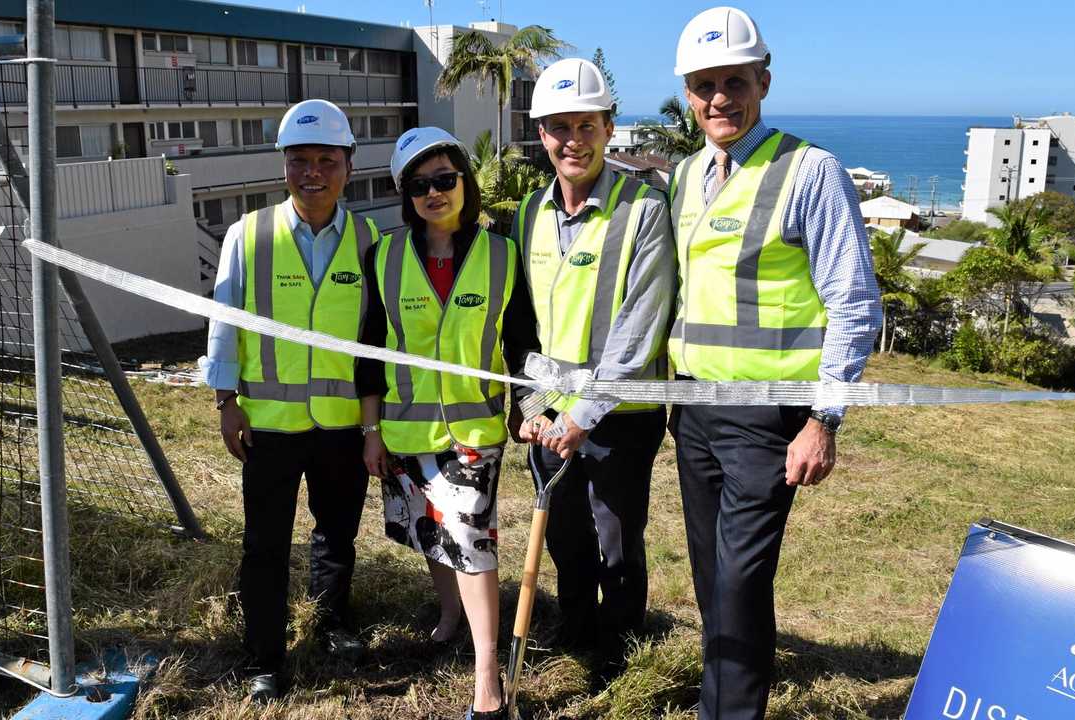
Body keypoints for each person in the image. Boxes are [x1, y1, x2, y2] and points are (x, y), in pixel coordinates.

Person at [665, 8, 882, 719]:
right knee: (711, 580)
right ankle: (724, 694)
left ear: (764, 80)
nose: (719, 97)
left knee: (738, 581)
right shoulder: (687, 175)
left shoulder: (809, 171)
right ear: (687, 94)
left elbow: (853, 301)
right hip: (692, 411)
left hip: (766, 417)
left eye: (734, 80)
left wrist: (824, 418)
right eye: (704, 85)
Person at [198, 99, 381, 704]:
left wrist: (374, 421)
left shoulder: (368, 238)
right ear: (283, 166)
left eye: (326, 160)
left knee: (337, 533)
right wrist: (227, 400)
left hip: (341, 423)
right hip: (269, 424)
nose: (312, 172)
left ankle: (332, 623)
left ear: (348, 167)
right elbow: (223, 324)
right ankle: (265, 656)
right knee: (266, 544)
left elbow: (375, 338)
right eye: (299, 160)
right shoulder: (247, 234)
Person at [356, 127, 538, 720]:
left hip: (472, 433)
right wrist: (372, 431)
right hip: (405, 431)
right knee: (430, 533)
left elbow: (522, 345)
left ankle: (488, 675)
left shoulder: (502, 254)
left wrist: (528, 409)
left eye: (445, 179)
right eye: (419, 184)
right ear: (404, 194)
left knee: (471, 542)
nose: (434, 193)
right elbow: (369, 351)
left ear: (465, 181)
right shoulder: (381, 255)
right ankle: (451, 618)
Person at [514, 58, 676, 681]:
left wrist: (582, 414)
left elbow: (640, 327)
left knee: (616, 538)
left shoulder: (644, 209)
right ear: (542, 135)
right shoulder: (530, 211)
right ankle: (575, 628)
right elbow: (525, 328)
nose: (572, 139)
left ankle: (619, 645)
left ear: (609, 128)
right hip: (551, 416)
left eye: (586, 124)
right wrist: (533, 409)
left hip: (621, 416)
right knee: (564, 536)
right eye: (558, 127)